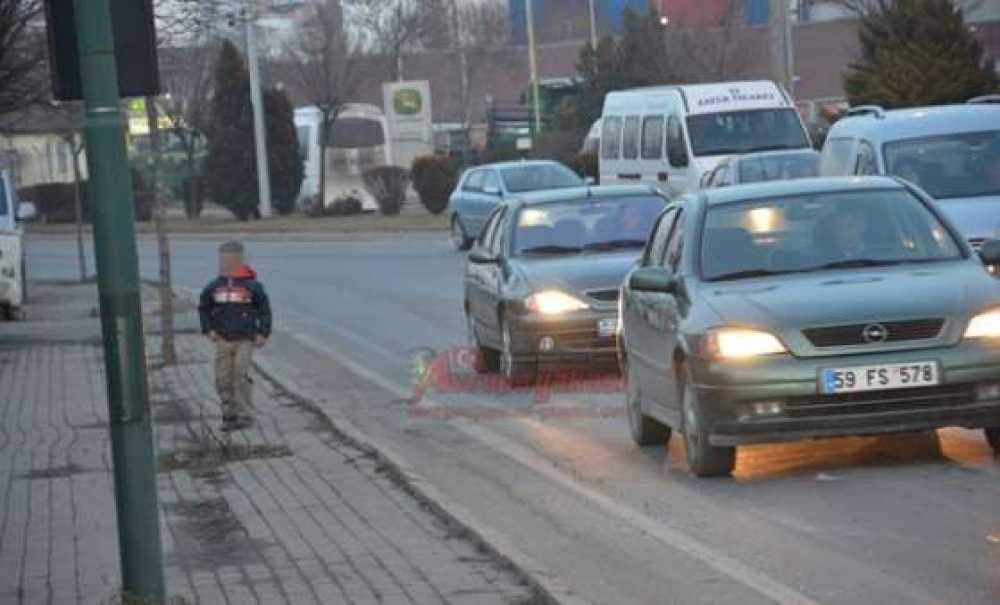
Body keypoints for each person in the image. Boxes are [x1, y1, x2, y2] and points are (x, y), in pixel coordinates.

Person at [198, 241, 271, 432]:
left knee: (239, 373)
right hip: (223, 338)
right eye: (224, 258)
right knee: (222, 377)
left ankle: (245, 414)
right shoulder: (213, 287)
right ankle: (229, 413)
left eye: (232, 258)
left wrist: (263, 332)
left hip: (245, 338)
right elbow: (204, 308)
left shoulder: (253, 286)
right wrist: (209, 329)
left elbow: (264, 311)